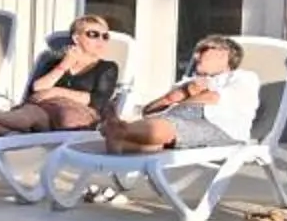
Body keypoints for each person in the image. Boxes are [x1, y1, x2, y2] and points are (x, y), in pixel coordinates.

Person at [0, 15, 121, 136]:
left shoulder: (107, 67)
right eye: (94, 34)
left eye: (105, 36)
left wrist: (56, 92)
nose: (101, 39)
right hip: (45, 115)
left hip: (76, 118)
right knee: (32, 114)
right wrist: (64, 65)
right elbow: (37, 87)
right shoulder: (55, 62)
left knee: (39, 114)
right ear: (76, 38)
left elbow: (97, 101)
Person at [99, 34, 256, 152]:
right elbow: (148, 111)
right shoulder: (188, 81)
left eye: (203, 51)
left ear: (223, 54)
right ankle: (119, 135)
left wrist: (183, 99)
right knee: (152, 136)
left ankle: (121, 129)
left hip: (220, 127)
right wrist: (172, 97)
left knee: (171, 126)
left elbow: (214, 99)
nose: (196, 56)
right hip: (174, 120)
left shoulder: (242, 77)